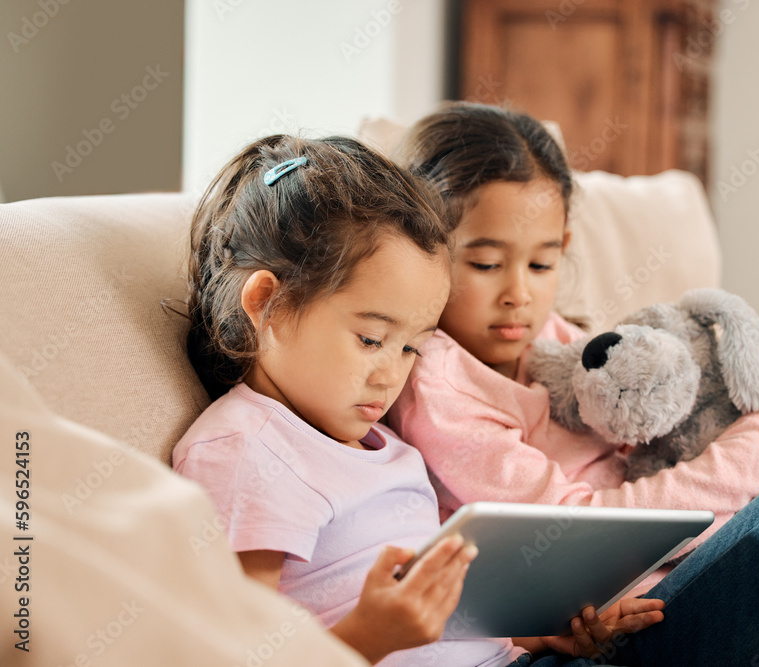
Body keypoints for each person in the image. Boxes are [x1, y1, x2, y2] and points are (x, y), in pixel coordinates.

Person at [387, 102, 759, 665]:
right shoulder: (439, 385)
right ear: (427, 251)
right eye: (487, 264)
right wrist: (756, 457)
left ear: (565, 248)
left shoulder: (560, 343)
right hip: (625, 633)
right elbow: (569, 530)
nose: (518, 291)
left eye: (542, 263)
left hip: (692, 584)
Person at [172, 134, 664, 667]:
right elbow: (230, 654)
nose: (392, 375)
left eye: (412, 347)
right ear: (267, 303)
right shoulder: (248, 451)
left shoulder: (382, 446)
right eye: (369, 339)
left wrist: (541, 633)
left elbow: (449, 626)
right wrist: (370, 636)